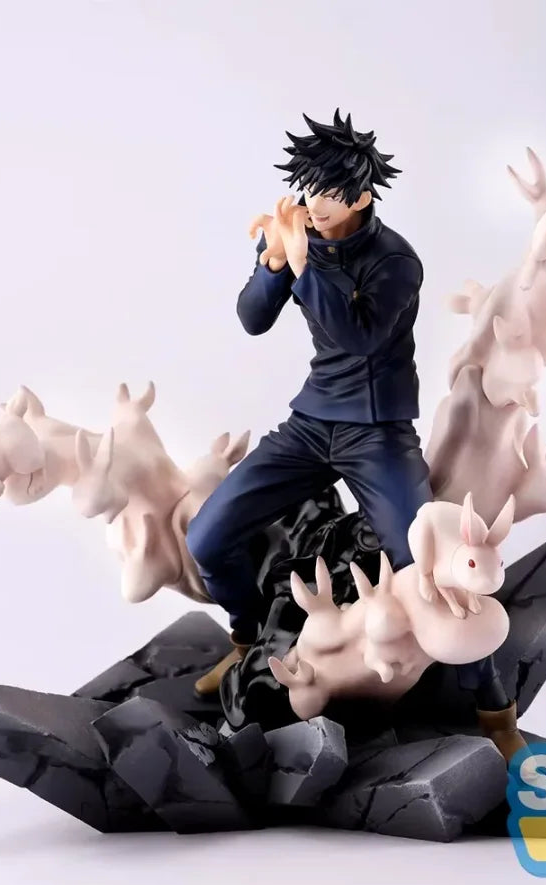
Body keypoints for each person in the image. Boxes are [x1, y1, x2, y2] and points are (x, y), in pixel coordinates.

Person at [186, 110, 432, 695]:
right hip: (311, 422)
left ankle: (493, 709)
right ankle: (248, 645)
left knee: (425, 564)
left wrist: (301, 263)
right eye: (309, 188)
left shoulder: (396, 261)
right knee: (207, 538)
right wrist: (273, 261)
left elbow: (357, 336)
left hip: (377, 430)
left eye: (330, 192)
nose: (315, 204)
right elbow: (252, 319)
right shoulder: (299, 237)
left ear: (362, 196)